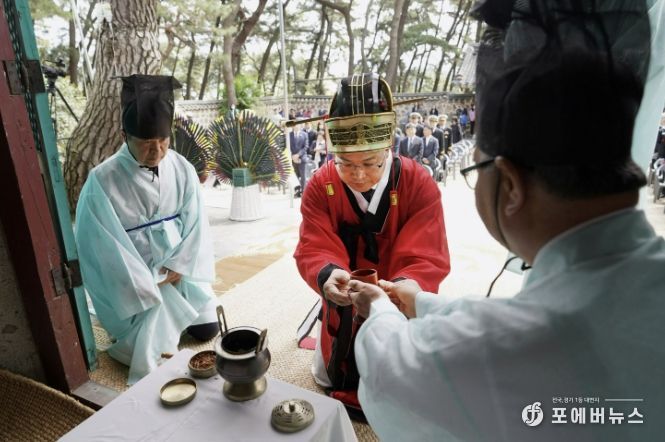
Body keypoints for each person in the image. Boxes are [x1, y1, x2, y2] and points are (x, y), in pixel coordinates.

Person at [347, 1, 665, 440]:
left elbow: (392, 377)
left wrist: (379, 308)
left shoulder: (523, 342)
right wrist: (421, 302)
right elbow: (508, 319)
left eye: (477, 169)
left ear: (511, 185)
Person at [294, 73, 450, 419]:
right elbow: (313, 243)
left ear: (388, 149)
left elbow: (427, 252)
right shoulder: (321, 184)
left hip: (395, 290)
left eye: (370, 163)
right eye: (346, 164)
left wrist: (401, 289)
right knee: (337, 360)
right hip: (345, 292)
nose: (359, 174)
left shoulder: (417, 182)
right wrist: (329, 275)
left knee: (396, 361)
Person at [75, 75, 219, 384]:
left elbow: (196, 223)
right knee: (150, 346)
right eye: (146, 143)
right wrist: (151, 280)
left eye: (163, 141)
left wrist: (179, 266)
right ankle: (152, 321)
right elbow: (101, 247)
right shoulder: (102, 180)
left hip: (178, 269)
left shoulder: (181, 167)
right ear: (124, 136)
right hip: (136, 280)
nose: (156, 152)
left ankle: (176, 316)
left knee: (208, 329)